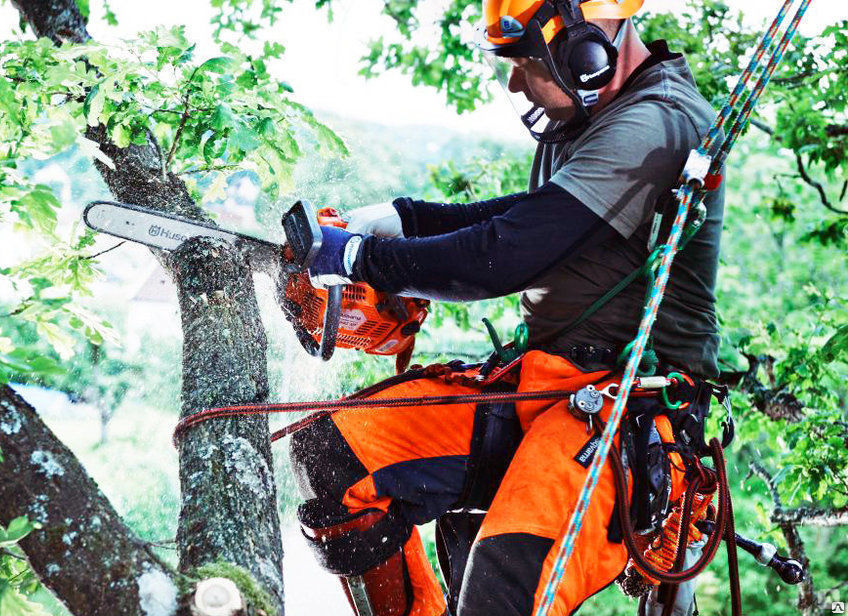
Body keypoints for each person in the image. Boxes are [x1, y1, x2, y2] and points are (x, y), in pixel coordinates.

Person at [289, 1, 725, 615]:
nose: (515, 82)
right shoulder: (588, 116)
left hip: (625, 407)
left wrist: (361, 260)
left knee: (501, 583)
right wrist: (405, 221)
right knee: (333, 455)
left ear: (587, 49)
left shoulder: (657, 123)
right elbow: (532, 212)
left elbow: (505, 254)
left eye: (524, 61)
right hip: (543, 385)